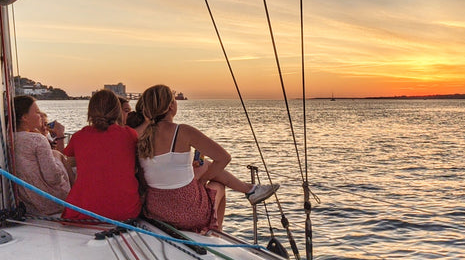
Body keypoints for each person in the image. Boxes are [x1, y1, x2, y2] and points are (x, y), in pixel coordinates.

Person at [137, 84, 279, 233]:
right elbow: (224, 158)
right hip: (188, 213)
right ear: (171, 106)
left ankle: (250, 190)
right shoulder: (183, 131)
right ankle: (216, 233)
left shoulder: (140, 135)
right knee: (218, 186)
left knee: (204, 164)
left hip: (156, 211)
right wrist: (203, 180)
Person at [61, 89, 141, 221]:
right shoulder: (130, 134)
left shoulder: (78, 137)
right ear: (117, 111)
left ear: (90, 112)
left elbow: (66, 160)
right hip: (125, 211)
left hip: (84, 212)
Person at [13, 96, 71, 215]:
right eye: (37, 112)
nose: (40, 115)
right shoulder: (38, 140)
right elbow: (52, 178)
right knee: (57, 154)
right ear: (24, 117)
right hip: (53, 202)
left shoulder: (9, 138)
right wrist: (60, 164)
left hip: (29, 204)